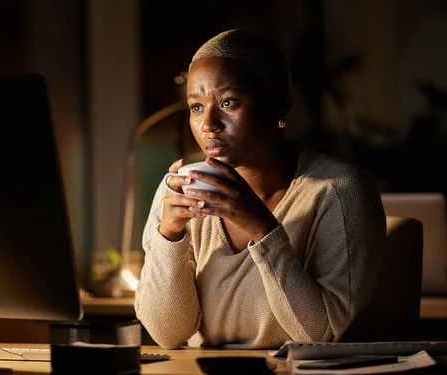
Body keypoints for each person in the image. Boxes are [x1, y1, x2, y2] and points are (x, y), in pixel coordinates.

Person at [133, 28, 387, 350]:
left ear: (280, 102)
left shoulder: (339, 192)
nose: (209, 123)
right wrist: (169, 236)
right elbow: (167, 335)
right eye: (196, 107)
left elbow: (318, 336)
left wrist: (261, 227)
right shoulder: (183, 189)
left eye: (228, 102)